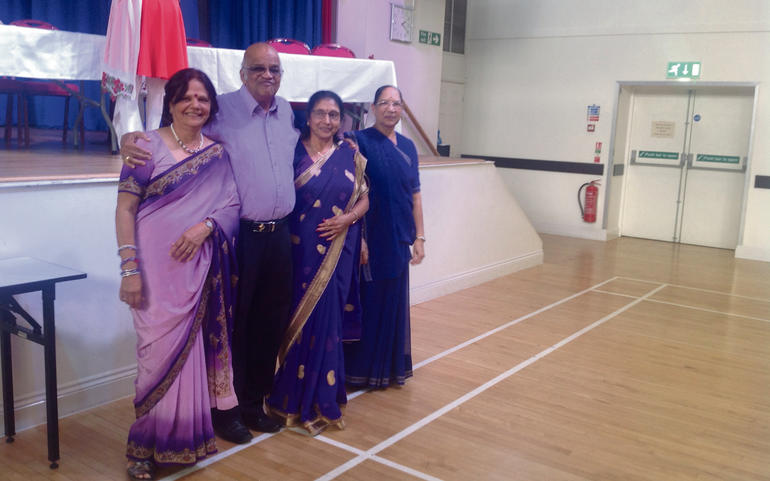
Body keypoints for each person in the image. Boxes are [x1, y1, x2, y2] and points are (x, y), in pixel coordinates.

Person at [120, 43, 299, 440]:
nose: (267, 75)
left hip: (280, 236)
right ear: (242, 73)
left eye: (274, 69)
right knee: (233, 325)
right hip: (240, 237)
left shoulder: (287, 111)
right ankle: (225, 410)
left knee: (270, 322)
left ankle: (254, 404)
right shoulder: (221, 110)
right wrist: (129, 139)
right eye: (258, 68)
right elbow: (181, 130)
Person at [115, 68, 240, 480]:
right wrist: (129, 269)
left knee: (189, 356)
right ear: (170, 103)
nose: (195, 105)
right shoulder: (145, 147)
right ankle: (142, 448)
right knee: (154, 357)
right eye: (186, 97)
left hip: (195, 270)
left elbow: (231, 206)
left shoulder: (217, 155)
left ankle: (183, 440)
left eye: (203, 99)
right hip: (152, 273)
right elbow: (125, 209)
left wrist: (205, 226)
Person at [266, 91, 369, 435]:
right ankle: (289, 398)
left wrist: (347, 220)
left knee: (327, 324)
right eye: (321, 113)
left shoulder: (350, 155)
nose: (327, 121)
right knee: (295, 321)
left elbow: (365, 198)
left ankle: (322, 399)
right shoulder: (291, 153)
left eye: (334, 115)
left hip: (336, 254)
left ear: (341, 120)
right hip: (296, 253)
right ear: (308, 117)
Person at [343, 85, 426, 389]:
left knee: (393, 304)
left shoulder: (408, 147)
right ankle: (359, 372)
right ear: (373, 108)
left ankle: (387, 370)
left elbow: (415, 195)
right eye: (384, 103)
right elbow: (350, 192)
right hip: (369, 238)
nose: (391, 109)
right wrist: (359, 238)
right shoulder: (357, 141)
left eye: (396, 103)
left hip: (398, 238)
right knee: (369, 303)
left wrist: (420, 237)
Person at [103, 0, 188, 140]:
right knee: (149, 86)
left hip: (144, 9)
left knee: (134, 85)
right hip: (157, 9)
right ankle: (147, 139)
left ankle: (140, 140)